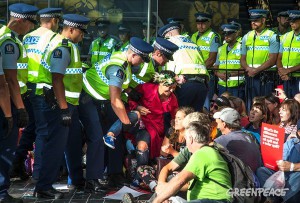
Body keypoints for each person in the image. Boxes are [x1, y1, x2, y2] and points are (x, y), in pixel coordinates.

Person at [81, 37, 153, 188]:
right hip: (89, 97)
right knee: (96, 137)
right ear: (133, 55)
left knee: (116, 136)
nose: (142, 63)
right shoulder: (118, 67)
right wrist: (126, 121)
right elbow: (115, 100)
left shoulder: (124, 60)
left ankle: (115, 174)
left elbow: (119, 86)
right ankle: (92, 179)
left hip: (103, 99)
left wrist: (130, 91)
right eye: (142, 59)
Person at [33, 14, 90, 199]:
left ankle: (68, 180)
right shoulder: (63, 47)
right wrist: (64, 109)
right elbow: (57, 79)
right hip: (57, 105)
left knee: (65, 143)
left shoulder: (63, 44)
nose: (82, 36)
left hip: (63, 103)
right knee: (55, 146)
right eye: (81, 32)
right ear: (71, 29)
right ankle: (43, 187)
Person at [11, 7, 62, 182]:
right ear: (54, 20)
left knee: (31, 128)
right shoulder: (56, 38)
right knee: (43, 132)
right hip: (43, 91)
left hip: (25, 89)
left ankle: (16, 165)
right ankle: (39, 175)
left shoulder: (26, 37)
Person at [0, 3, 38, 203]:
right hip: (7, 103)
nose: (31, 28)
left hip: (5, 100)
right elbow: (9, 81)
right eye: (31, 24)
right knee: (6, 147)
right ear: (21, 21)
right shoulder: (9, 42)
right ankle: (1, 193)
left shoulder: (2, 35)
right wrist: (19, 109)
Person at [103, 71, 178, 162]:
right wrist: (137, 107)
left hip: (152, 127)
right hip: (134, 121)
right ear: (160, 83)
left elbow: (175, 115)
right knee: (136, 114)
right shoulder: (147, 88)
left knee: (142, 146)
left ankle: (142, 172)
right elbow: (131, 99)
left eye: (174, 88)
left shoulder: (172, 99)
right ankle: (110, 134)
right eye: (169, 87)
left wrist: (175, 123)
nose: (171, 90)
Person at [153, 121, 232, 203]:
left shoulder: (203, 154)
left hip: (216, 200)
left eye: (186, 138)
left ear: (191, 139)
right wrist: (164, 190)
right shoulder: (206, 151)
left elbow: (180, 180)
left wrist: (157, 200)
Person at [158, 23, 209, 111]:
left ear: (169, 34)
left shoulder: (170, 42)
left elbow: (168, 69)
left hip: (184, 84)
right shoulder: (193, 43)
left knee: (179, 115)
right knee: (194, 119)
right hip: (202, 85)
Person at [241, 9, 279, 109]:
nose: (253, 22)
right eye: (251, 20)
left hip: (266, 77)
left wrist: (256, 70)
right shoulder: (246, 36)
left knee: (265, 104)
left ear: (263, 20)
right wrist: (248, 69)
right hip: (250, 76)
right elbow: (242, 58)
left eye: (256, 20)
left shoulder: (272, 36)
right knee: (251, 104)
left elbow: (273, 59)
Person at [213, 107, 262, 172]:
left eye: (218, 123)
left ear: (224, 124)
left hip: (245, 180)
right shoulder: (249, 136)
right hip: (255, 178)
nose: (218, 127)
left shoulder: (223, 140)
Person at [256, 136, 300, 203]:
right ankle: (271, 198)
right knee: (261, 170)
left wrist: (292, 166)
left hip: (295, 177)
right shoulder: (291, 142)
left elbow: (291, 167)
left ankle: (283, 199)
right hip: (283, 173)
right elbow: (281, 156)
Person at [191, 12, 220, 111]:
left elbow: (212, 59)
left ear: (209, 23)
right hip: (194, 73)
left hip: (206, 73)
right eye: (198, 23)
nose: (200, 26)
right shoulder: (193, 36)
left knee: (205, 101)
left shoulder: (213, 36)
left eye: (203, 23)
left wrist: (200, 70)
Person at [214, 24, 245, 99]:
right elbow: (215, 67)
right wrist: (218, 74)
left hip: (237, 85)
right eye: (224, 34)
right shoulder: (221, 49)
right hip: (222, 85)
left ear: (236, 34)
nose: (226, 36)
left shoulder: (241, 47)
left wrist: (230, 74)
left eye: (229, 34)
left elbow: (245, 68)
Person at [277, 10, 300, 98]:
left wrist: (288, 71)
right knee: (284, 103)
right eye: (290, 21)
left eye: (294, 21)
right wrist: (281, 71)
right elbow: (279, 57)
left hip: (298, 77)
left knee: (297, 104)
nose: (292, 23)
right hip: (285, 78)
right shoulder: (285, 36)